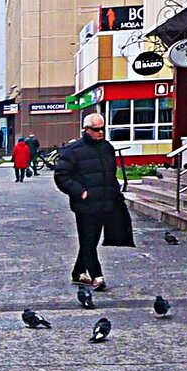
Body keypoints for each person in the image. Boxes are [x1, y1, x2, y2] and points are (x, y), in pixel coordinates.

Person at [54, 113, 122, 290]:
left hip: (104, 203)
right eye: (96, 129)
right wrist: (80, 192)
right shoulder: (73, 151)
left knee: (90, 241)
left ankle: (78, 273)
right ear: (86, 129)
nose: (100, 133)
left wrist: (114, 192)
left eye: (102, 129)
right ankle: (97, 276)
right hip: (84, 206)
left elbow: (110, 173)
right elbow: (61, 176)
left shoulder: (107, 148)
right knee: (88, 240)